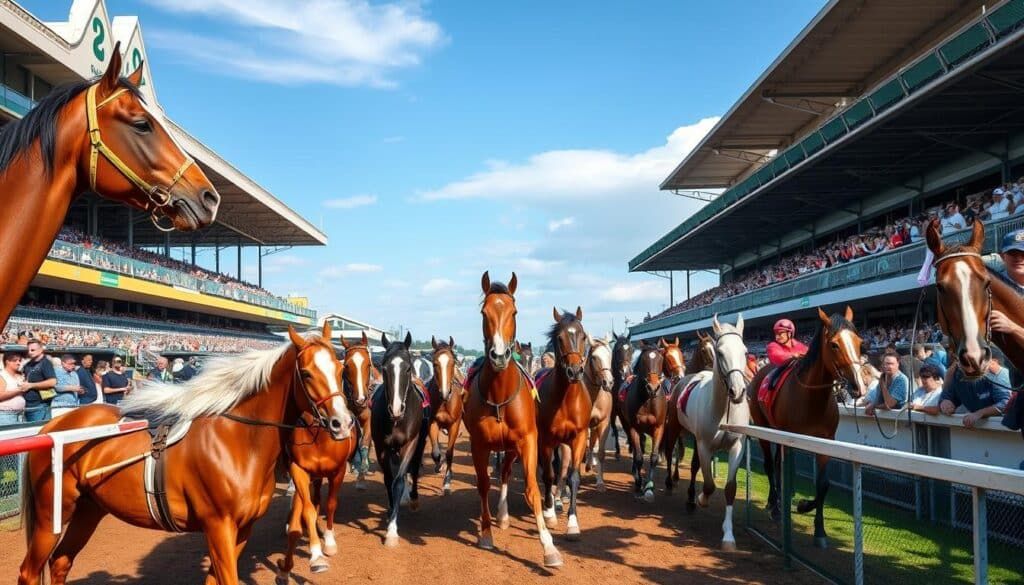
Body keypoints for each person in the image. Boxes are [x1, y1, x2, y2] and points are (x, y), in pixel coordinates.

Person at [940, 363, 1010, 428]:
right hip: (979, 430)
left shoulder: (995, 373)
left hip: (1004, 428)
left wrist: (980, 413)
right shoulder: (959, 374)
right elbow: (948, 395)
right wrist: (946, 402)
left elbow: (1005, 403)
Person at [21, 340, 56, 423]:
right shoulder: (28, 363)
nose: (30, 352)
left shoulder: (45, 363)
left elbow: (52, 382)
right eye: (28, 350)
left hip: (40, 405)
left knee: (38, 431)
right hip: (29, 403)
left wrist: (31, 385)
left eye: (33, 350)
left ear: (41, 350)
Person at [0, 353, 26, 425]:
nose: (18, 363)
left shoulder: (19, 376)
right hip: (6, 416)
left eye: (19, 360)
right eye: (15, 360)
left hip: (20, 415)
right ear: (7, 361)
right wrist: (19, 390)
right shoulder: (2, 376)